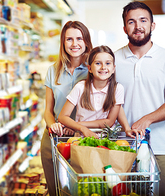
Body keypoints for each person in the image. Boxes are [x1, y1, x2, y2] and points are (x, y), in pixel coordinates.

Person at [115, 2, 165, 196]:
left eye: (143, 20)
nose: (138, 26)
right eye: (131, 21)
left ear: (152, 25)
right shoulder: (112, 60)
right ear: (124, 28)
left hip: (159, 147)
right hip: (120, 148)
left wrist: (147, 119)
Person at [40, 21, 96, 196]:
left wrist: (77, 127)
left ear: (86, 41)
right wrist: (52, 126)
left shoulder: (93, 71)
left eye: (79, 38)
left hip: (81, 138)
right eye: (69, 39)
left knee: (82, 190)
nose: (74, 44)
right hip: (54, 139)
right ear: (63, 43)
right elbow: (48, 110)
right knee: (55, 190)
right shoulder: (53, 71)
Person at [58, 46, 124, 136]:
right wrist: (82, 129)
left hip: (107, 139)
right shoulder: (80, 87)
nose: (103, 67)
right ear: (89, 68)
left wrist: (76, 125)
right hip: (81, 139)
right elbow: (62, 117)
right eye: (98, 63)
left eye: (108, 63)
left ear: (113, 69)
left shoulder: (117, 89)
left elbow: (109, 122)